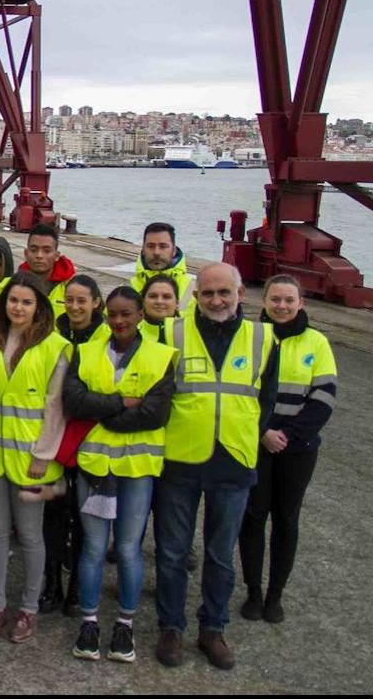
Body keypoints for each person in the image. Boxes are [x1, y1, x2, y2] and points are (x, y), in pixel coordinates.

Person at [154, 263, 278, 670]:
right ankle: (171, 628)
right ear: (195, 297)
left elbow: (267, 401)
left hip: (234, 461)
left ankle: (213, 629)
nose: (216, 300)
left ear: (241, 294)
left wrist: (242, 434)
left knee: (221, 555)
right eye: (207, 294)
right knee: (173, 553)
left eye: (224, 292)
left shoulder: (262, 338)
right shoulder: (172, 333)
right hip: (181, 458)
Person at [62, 286, 176, 663]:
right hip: (95, 468)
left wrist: (101, 412)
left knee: (128, 549)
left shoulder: (162, 357)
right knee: (94, 548)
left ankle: (125, 624)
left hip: (137, 470)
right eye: (112, 314)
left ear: (141, 314)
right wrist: (121, 404)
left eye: (126, 313)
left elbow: (155, 414)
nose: (119, 321)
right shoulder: (86, 351)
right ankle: (90, 622)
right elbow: (73, 400)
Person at [0, 272, 72, 645]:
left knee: (31, 534)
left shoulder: (56, 346)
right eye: (13, 301)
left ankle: (29, 608)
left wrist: (44, 454)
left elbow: (56, 405)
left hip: (34, 459)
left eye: (26, 302)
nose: (18, 308)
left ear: (39, 308)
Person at [238, 274, 336, 624]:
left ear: (301, 304)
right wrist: (264, 432)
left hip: (298, 449)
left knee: (286, 519)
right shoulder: (249, 336)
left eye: (288, 300)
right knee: (253, 516)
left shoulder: (317, 343)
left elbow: (323, 398)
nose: (281, 306)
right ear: (263, 301)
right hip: (256, 444)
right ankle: (252, 590)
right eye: (275, 299)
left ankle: (274, 594)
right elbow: (241, 391)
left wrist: (287, 436)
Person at [41, 274, 105, 615]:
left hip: (92, 438)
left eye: (83, 300)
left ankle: (78, 588)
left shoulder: (108, 337)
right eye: (70, 300)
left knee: (84, 517)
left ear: (96, 302)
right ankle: (51, 583)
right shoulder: (53, 334)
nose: (76, 306)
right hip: (54, 435)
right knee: (52, 514)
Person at [130, 222, 196, 315]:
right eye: (151, 246)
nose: (156, 252)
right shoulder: (128, 289)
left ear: (174, 250)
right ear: (143, 250)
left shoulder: (195, 291)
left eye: (163, 246)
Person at [20, 224, 75, 318]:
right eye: (34, 250)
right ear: (26, 253)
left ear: (57, 256)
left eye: (46, 251)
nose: (39, 255)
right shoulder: (7, 286)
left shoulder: (73, 290)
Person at [141, 275, 181, 340]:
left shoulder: (189, 332)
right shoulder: (129, 331)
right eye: (153, 296)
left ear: (177, 303)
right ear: (143, 301)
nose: (159, 301)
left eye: (166, 297)